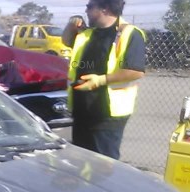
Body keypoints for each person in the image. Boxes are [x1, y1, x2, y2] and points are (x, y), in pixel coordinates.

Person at [62, 0, 146, 160]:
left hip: (107, 113)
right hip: (82, 110)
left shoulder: (129, 34)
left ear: (105, 9)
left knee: (104, 165)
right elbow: (66, 41)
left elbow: (135, 71)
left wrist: (100, 81)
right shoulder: (88, 33)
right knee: (80, 160)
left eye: (90, 6)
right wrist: (70, 26)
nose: (85, 10)